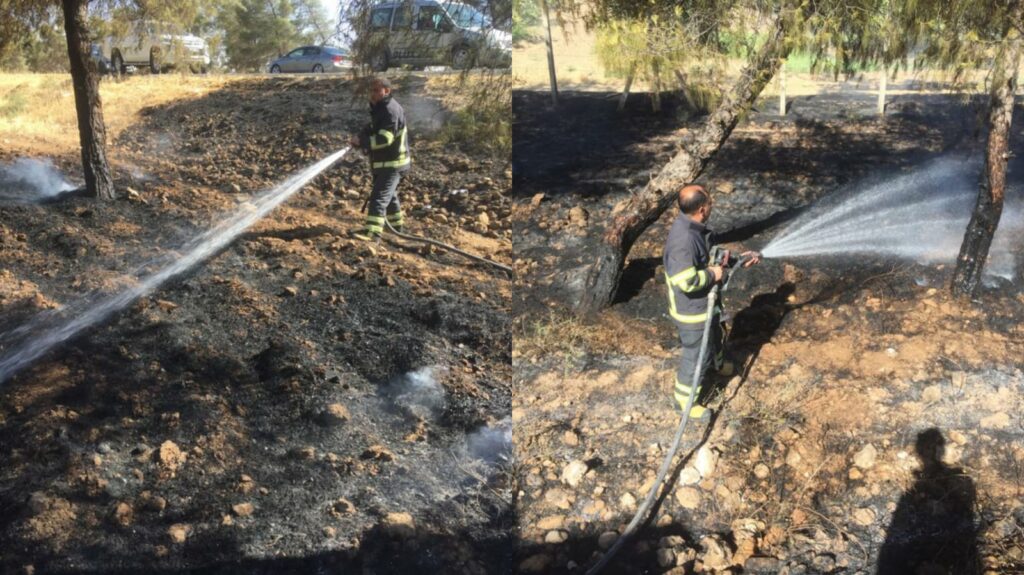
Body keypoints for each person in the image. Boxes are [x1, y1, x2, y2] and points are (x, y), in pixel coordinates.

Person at [662, 184, 760, 420]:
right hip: (691, 312)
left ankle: (717, 366)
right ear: (702, 209)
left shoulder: (694, 228)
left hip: (706, 305)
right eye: (711, 204)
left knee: (715, 336)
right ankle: (685, 402)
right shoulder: (683, 240)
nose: (712, 207)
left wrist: (736, 260)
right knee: (696, 356)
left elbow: (708, 256)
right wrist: (713, 275)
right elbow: (686, 281)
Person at [348, 77, 411, 241]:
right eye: (371, 91)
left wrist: (362, 142)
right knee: (390, 197)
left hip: (392, 165)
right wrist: (362, 135)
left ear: (387, 91)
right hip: (386, 163)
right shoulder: (380, 109)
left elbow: (384, 140)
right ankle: (397, 229)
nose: (373, 94)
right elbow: (373, 128)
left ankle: (372, 233)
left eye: (377, 91)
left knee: (379, 198)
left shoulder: (390, 111)